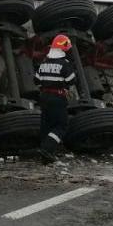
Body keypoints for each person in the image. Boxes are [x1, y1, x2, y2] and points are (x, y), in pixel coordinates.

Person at [34, 34, 77, 163]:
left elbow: (36, 80)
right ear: (63, 49)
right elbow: (71, 81)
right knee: (61, 126)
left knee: (46, 125)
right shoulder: (65, 64)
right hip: (58, 97)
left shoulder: (44, 62)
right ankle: (47, 149)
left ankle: (45, 156)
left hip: (44, 97)